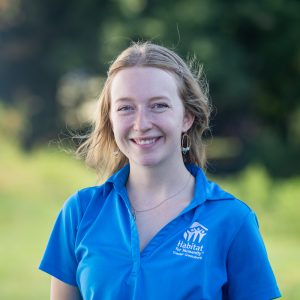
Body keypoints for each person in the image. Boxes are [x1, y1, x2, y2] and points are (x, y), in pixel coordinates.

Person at [39, 42, 281, 300]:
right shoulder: (79, 212)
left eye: (159, 105)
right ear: (111, 119)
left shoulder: (232, 220)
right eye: (125, 108)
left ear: (187, 117)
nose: (141, 124)